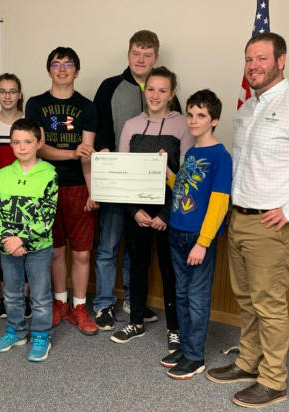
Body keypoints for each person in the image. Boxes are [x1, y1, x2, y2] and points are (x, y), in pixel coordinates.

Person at [206, 33, 289, 408]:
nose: (253, 66)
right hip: (241, 219)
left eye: (261, 58)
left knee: (268, 304)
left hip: (274, 226)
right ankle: (248, 363)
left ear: (281, 61)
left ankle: (273, 381)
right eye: (248, 59)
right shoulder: (247, 110)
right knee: (247, 300)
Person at [93, 30, 181, 331]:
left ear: (155, 57)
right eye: (136, 53)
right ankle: (104, 304)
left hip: (152, 191)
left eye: (147, 54)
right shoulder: (110, 87)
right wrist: (104, 155)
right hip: (116, 182)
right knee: (108, 246)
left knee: (135, 249)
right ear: (128, 54)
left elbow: (178, 144)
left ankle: (134, 301)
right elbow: (100, 128)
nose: (140, 59)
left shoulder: (168, 93)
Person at [111, 67, 193, 344]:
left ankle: (175, 329)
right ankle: (135, 322)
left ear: (172, 94)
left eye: (162, 90)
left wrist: (166, 214)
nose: (155, 95)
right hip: (137, 211)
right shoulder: (131, 125)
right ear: (144, 91)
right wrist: (134, 211)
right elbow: (122, 173)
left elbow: (187, 175)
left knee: (171, 270)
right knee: (137, 266)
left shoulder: (183, 125)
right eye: (151, 89)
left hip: (171, 212)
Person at [25, 46, 99, 335]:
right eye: (56, 64)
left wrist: (92, 191)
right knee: (55, 251)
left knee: (81, 253)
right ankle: (60, 303)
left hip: (78, 187)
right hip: (46, 187)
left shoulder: (87, 107)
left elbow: (87, 153)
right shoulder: (35, 104)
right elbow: (38, 148)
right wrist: (71, 153)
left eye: (68, 64)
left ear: (77, 71)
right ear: (49, 70)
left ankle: (79, 307)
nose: (62, 69)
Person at [159, 89, 232, 380]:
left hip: (197, 238)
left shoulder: (220, 156)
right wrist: (168, 173)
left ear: (214, 120)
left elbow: (219, 203)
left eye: (201, 115)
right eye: (190, 114)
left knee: (197, 297)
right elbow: (184, 189)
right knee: (181, 294)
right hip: (177, 232)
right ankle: (186, 347)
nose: (193, 120)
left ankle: (195, 356)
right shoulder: (191, 153)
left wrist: (203, 242)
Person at [0, 118, 58, 362]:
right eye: (16, 142)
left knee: (40, 296)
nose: (22, 147)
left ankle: (41, 335)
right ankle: (16, 331)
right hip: (8, 247)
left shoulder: (49, 173)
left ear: (38, 143)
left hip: (39, 248)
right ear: (10, 144)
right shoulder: (3, 174)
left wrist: (21, 239)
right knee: (12, 293)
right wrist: (7, 239)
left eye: (28, 142)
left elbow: (47, 215)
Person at [0, 73, 31, 321]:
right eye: (2, 91)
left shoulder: (28, 120)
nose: (8, 96)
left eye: (12, 91)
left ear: (20, 94)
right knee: (4, 246)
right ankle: (7, 298)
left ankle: (24, 298)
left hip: (27, 194)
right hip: (0, 194)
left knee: (26, 245)